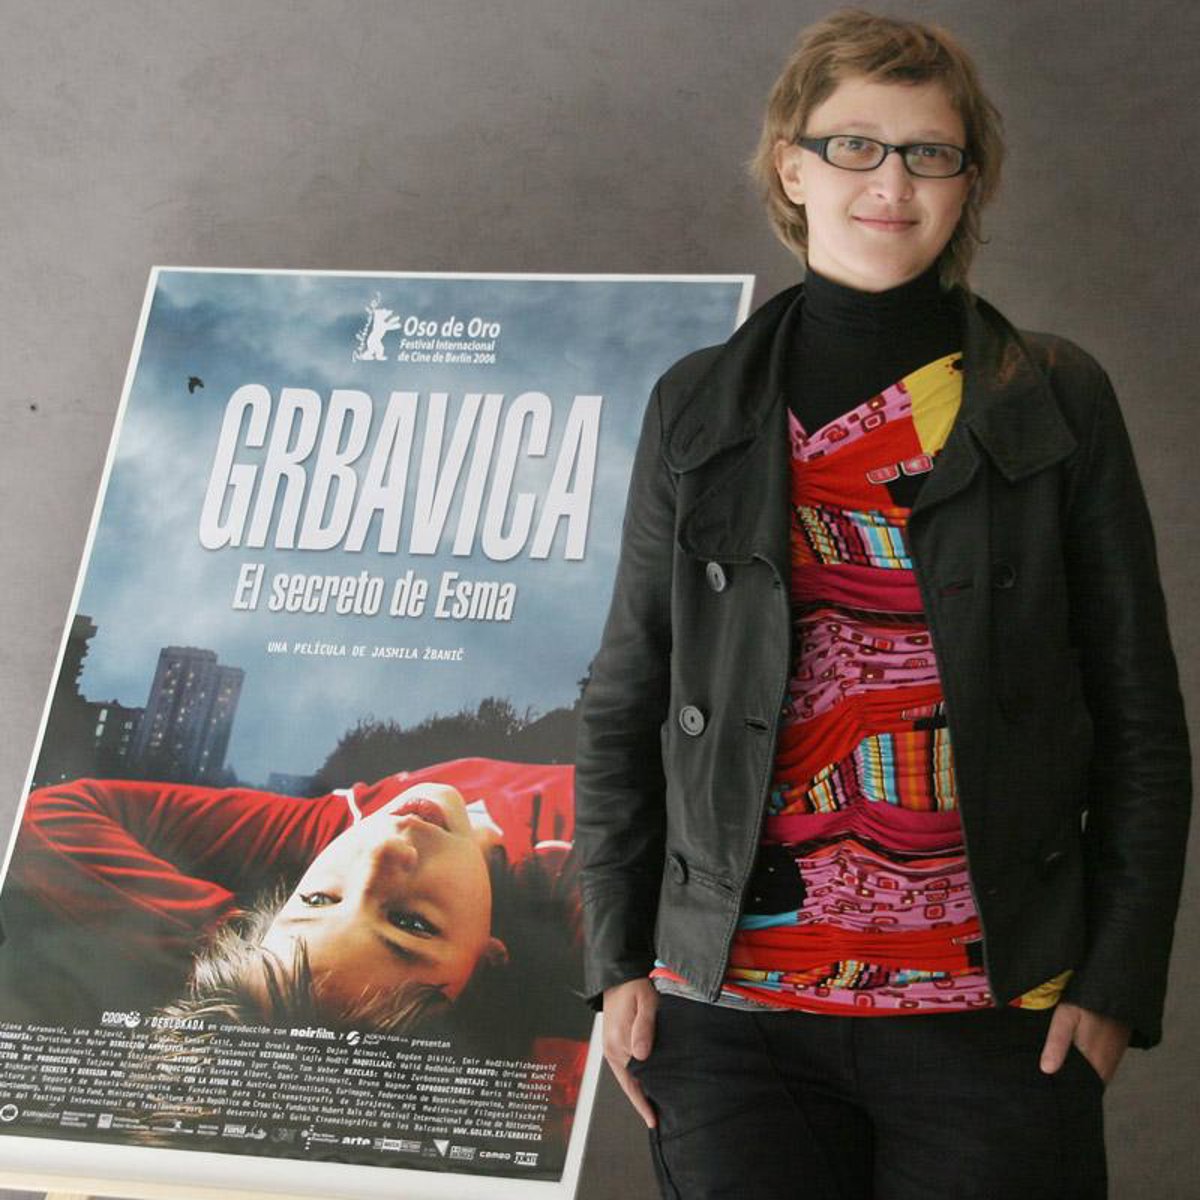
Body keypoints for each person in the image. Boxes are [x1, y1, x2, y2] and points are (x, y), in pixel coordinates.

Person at [575, 10, 1191, 1198]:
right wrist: (616, 960)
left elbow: (1140, 719)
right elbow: (624, 699)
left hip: (996, 1014)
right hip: (731, 1018)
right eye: (854, 145)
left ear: (970, 183)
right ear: (791, 167)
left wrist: (1117, 980)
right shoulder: (697, 404)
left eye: (929, 153)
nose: (891, 183)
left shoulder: (1052, 397)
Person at [1, 756, 582, 1051]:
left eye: (320, 899)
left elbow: (44, 819)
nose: (381, 853)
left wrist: (240, 951)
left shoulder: (349, 828)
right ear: (489, 956)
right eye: (411, 923)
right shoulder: (582, 871)